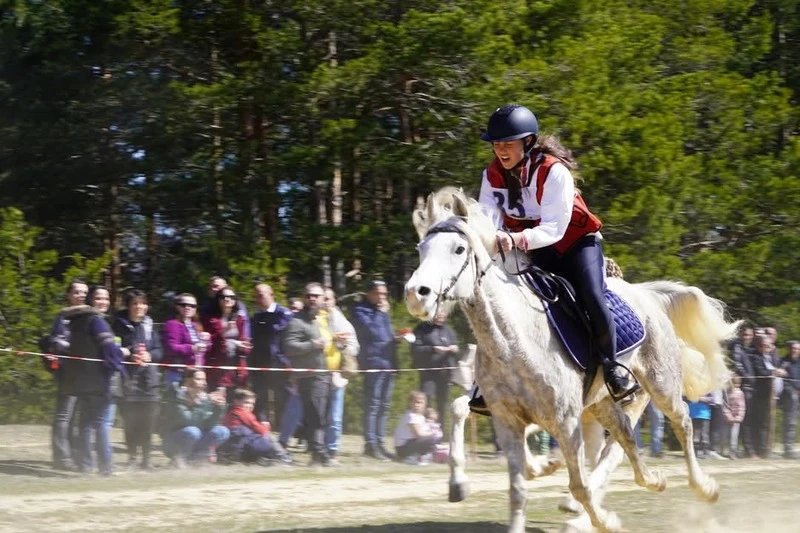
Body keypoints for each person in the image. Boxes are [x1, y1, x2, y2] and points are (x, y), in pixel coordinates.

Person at [473, 104, 637, 409]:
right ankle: (488, 379)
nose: (501, 150)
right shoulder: (492, 175)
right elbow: (487, 218)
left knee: (590, 295)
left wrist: (512, 238)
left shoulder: (553, 171)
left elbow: (554, 229)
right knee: (502, 299)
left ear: (528, 142)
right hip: (532, 248)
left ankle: (614, 367)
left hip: (576, 243)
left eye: (508, 143)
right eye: (496, 144)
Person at [61, 285, 124, 475]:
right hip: (101, 380)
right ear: (90, 301)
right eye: (98, 298)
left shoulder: (76, 321)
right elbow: (110, 349)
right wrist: (120, 359)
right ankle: (106, 467)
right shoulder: (96, 320)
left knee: (86, 424)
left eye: (106, 298)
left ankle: (86, 465)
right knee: (103, 423)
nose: (103, 302)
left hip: (83, 380)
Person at [282, 282, 333, 466]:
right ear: (305, 298)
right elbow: (289, 347)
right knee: (315, 416)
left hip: (326, 374)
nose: (312, 299)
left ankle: (320, 453)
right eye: (309, 295)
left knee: (322, 416)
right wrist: (313, 344)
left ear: (322, 299)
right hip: (309, 376)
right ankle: (318, 455)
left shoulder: (321, 319)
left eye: (316, 296)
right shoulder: (297, 321)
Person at [112, 289, 163, 470]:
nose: (139, 307)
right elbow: (114, 348)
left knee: (148, 424)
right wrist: (129, 355)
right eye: (135, 303)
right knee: (131, 423)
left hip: (149, 381)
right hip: (128, 380)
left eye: (142, 303)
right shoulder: (118, 324)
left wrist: (150, 354)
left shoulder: (150, 326)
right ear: (128, 306)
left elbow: (159, 350)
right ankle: (132, 458)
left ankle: (147, 459)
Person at [41, 279, 88, 471]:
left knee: (76, 417)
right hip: (67, 372)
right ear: (69, 295)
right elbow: (57, 342)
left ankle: (73, 454)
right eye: (77, 292)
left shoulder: (86, 315)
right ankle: (61, 457)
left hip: (85, 373)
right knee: (64, 416)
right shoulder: (63, 317)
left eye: (84, 293)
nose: (81, 296)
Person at [351, 280, 398, 460]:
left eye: (384, 294)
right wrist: (380, 313)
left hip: (388, 364)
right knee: (372, 405)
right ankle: (370, 444)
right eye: (379, 294)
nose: (382, 298)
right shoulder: (360, 310)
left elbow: (386, 334)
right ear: (369, 293)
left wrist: (397, 338)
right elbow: (370, 331)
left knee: (384, 407)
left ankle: (379, 443)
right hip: (373, 364)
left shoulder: (382, 312)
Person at [321, 287, 359, 462]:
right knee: (316, 413)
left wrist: (343, 346)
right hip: (317, 372)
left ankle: (332, 450)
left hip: (336, 374)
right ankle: (316, 446)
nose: (325, 302)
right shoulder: (315, 319)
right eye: (323, 298)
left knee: (335, 416)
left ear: (334, 300)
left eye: (328, 298)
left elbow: (355, 346)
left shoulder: (341, 321)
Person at [161, 369, 230, 468]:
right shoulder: (176, 396)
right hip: (172, 441)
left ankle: (197, 459)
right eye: (199, 379)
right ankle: (179, 459)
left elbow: (208, 425)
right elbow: (188, 421)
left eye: (204, 379)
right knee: (193, 431)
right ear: (187, 381)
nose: (203, 383)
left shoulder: (203, 397)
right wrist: (203, 404)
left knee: (222, 431)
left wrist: (219, 408)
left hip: (195, 436)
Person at [249, 284, 294, 423]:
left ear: (271, 295)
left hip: (280, 365)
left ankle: (295, 432)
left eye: (261, 295)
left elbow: (290, 339)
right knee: (259, 400)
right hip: (260, 365)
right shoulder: (256, 316)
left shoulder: (284, 315)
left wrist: (288, 361)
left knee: (285, 398)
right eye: (255, 296)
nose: (258, 299)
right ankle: (260, 430)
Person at [411, 311, 458, 434]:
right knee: (426, 401)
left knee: (442, 404)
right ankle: (423, 432)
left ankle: (439, 434)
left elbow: (457, 347)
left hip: (445, 373)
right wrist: (432, 349)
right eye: (437, 313)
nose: (440, 316)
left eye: (442, 313)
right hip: (428, 373)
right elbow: (415, 348)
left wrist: (454, 349)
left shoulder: (449, 330)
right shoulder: (421, 328)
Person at [218, 388, 292, 465]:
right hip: (242, 444)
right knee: (267, 436)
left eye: (252, 404)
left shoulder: (229, 412)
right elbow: (260, 429)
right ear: (236, 401)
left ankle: (269, 458)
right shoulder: (241, 412)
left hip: (233, 446)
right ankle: (282, 456)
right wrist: (265, 426)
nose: (250, 406)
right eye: (246, 402)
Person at [202, 287, 252, 392]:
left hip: (236, 368)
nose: (227, 299)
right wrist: (226, 332)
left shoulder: (240, 319)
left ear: (235, 300)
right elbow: (210, 342)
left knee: (235, 401)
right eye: (223, 297)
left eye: (231, 297)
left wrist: (244, 346)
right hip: (217, 367)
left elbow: (244, 341)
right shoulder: (211, 319)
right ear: (218, 299)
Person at [162, 293, 210, 387]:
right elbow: (171, 347)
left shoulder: (196, 325)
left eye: (192, 306)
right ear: (176, 306)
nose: (188, 308)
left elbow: (203, 350)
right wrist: (192, 348)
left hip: (197, 373)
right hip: (179, 374)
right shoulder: (172, 324)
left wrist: (208, 341)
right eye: (183, 305)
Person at [393, 391, 442, 465]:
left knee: (433, 440)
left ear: (424, 404)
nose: (417, 405)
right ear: (410, 403)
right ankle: (411, 457)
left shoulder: (420, 417)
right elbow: (418, 434)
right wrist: (432, 433)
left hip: (410, 444)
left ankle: (420, 456)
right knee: (430, 440)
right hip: (403, 448)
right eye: (414, 402)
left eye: (419, 403)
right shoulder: (411, 416)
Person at [780, 341, 800, 459]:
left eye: (797, 349)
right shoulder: (784, 362)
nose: (795, 351)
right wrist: (793, 392)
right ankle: (788, 449)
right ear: (789, 349)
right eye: (793, 348)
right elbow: (782, 380)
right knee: (790, 423)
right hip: (790, 396)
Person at [721, 374, 746, 459]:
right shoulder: (727, 393)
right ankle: (722, 450)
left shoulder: (740, 393)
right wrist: (728, 416)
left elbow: (741, 407)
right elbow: (725, 405)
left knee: (733, 437)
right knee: (725, 435)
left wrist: (738, 418)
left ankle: (733, 452)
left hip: (736, 420)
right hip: (727, 419)